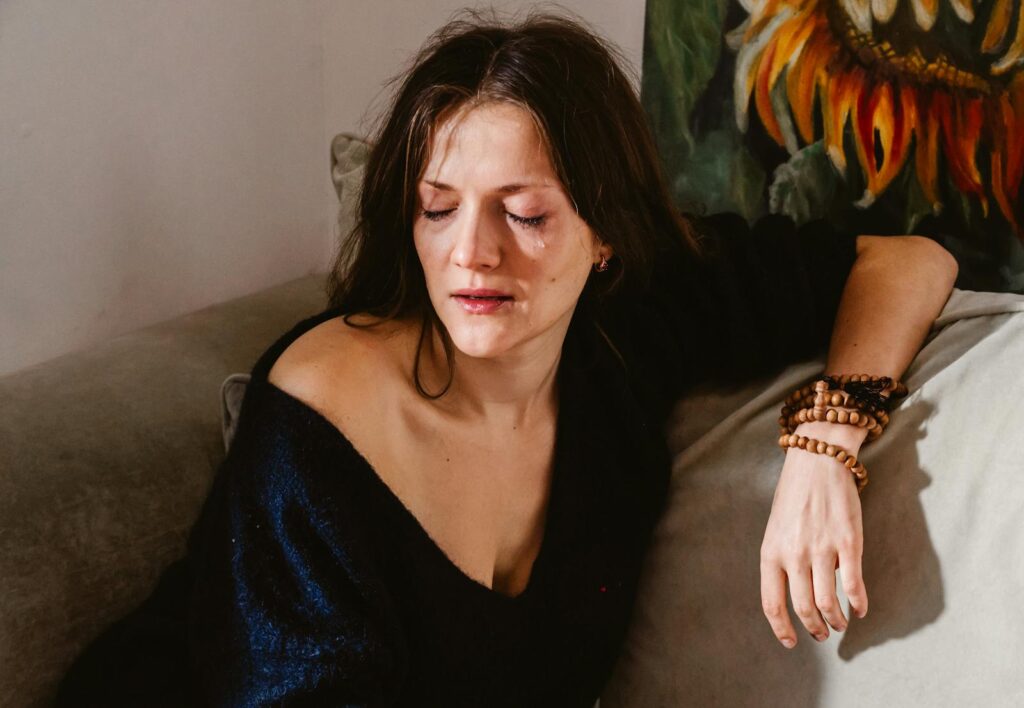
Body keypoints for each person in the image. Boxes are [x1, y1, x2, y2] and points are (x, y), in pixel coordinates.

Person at [56, 9, 959, 707]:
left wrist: (826, 443)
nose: (471, 253)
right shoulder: (322, 415)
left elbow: (906, 261)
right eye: (437, 207)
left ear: (604, 233)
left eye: (524, 214)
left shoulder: (627, 327)